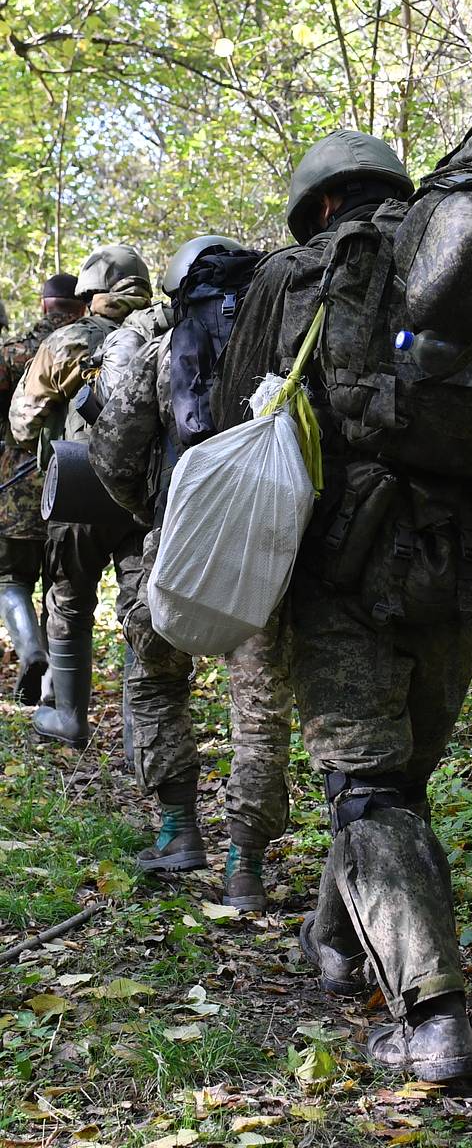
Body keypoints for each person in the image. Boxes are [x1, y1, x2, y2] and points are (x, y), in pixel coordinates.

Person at [212, 131, 472, 1080]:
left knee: (369, 785)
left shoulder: (296, 274)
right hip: (469, 558)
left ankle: (433, 1019)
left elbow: (236, 423)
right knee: (395, 777)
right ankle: (341, 941)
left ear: (318, 205)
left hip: (342, 565)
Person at [88, 236, 293, 911]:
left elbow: (115, 455)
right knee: (258, 707)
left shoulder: (161, 350)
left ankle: (178, 830)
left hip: (177, 542)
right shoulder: (288, 349)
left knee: (153, 676)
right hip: (265, 550)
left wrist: (157, 513)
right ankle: (245, 865)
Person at [9, 244, 154, 748]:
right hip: (149, 498)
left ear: (90, 292)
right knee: (143, 608)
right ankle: (145, 732)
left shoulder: (69, 339)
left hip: (80, 489)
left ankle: (69, 717)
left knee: (69, 601)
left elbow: (23, 423)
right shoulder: (171, 333)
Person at [0, 274, 87, 702]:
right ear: (82, 304)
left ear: (42, 304)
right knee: (65, 585)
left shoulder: (12, 354)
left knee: (10, 579)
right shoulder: (96, 344)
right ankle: (57, 682)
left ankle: (32, 653)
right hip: (76, 485)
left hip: (17, 490)